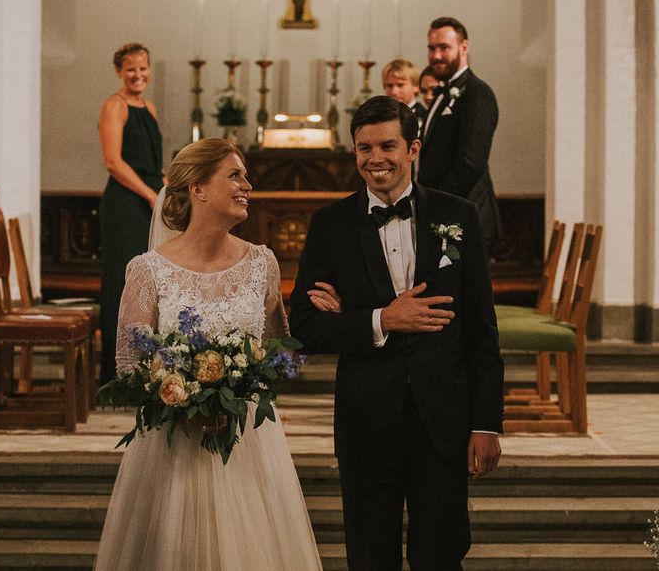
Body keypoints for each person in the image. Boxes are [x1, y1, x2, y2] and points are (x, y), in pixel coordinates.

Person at [289, 97, 504, 571]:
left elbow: (481, 331)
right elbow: (304, 327)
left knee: (441, 555)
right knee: (370, 557)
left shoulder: (458, 217)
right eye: (364, 148)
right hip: (366, 420)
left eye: (387, 145)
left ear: (413, 149)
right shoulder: (330, 225)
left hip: (443, 417)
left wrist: (485, 423)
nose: (375, 158)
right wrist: (381, 319)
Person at [94, 139, 322, 571]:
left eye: (245, 176)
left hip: (247, 443)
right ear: (197, 188)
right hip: (173, 445)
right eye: (234, 175)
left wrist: (242, 383)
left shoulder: (262, 263)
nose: (247, 186)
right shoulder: (148, 270)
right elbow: (129, 364)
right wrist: (181, 400)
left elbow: (278, 350)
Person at [98, 42, 164, 384]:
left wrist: (169, 187)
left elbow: (150, 163)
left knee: (148, 286)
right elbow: (114, 162)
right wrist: (150, 194)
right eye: (130, 70)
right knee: (122, 286)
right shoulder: (115, 106)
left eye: (143, 68)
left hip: (149, 201)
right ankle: (116, 374)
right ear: (119, 72)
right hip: (126, 206)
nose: (138, 75)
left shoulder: (149, 107)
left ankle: (144, 370)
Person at [417, 17, 501, 246]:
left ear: (464, 47)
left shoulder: (476, 93)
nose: (436, 55)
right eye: (431, 48)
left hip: (464, 218)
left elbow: (470, 163)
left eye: (444, 47)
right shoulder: (442, 94)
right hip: (444, 217)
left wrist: (436, 203)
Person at [382, 58, 428, 136]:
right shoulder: (381, 116)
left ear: (416, 86)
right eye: (389, 86)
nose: (394, 92)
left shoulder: (425, 117)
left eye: (400, 85)